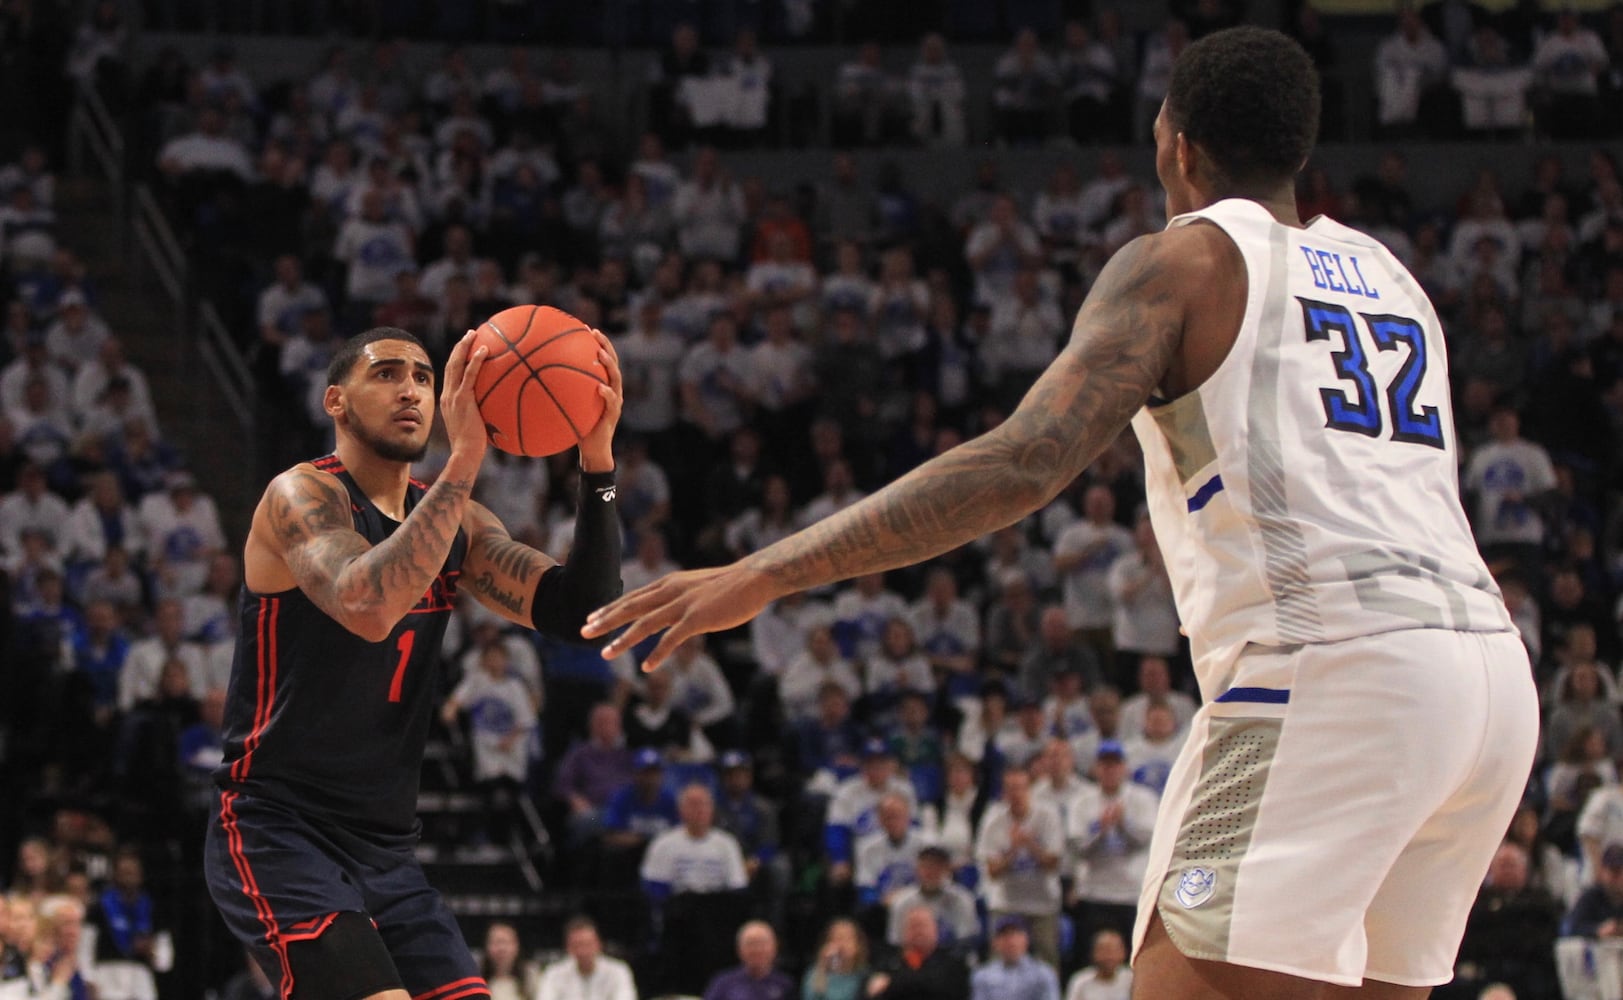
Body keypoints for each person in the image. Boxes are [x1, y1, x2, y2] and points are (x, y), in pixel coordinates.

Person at [586, 26, 1536, 998]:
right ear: (1301, 149)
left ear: (1177, 145)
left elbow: (1025, 461)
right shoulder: (1397, 281)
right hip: (1489, 682)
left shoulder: (1186, 264)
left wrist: (764, 571)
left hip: (1335, 666)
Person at [205, 326, 625, 1000]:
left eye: (426, 378)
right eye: (388, 374)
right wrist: (463, 460)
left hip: (387, 849)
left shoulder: (461, 522)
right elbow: (369, 606)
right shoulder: (303, 497)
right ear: (336, 401)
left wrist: (597, 464)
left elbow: (584, 613)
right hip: (278, 829)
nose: (412, 390)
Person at [535, 917, 636, 1000]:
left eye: (588, 944)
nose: (583, 951)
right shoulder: (553, 974)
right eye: (577, 945)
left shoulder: (618, 971)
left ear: (598, 944)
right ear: (568, 948)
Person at [970, 917, 1060, 1000]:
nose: (1010, 941)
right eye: (1004, 935)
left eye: (1015, 934)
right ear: (995, 943)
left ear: (1026, 939)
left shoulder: (1043, 974)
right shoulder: (983, 976)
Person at [704, 922, 792, 1000]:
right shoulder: (722, 983)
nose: (757, 950)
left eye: (763, 943)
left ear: (775, 947)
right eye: (751, 943)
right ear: (739, 949)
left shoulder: (785, 984)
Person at [803, 918, 870, 1000]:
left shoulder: (865, 975)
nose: (841, 945)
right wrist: (822, 967)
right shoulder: (815, 972)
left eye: (847, 939)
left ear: (858, 945)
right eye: (836, 939)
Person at [1062, 930, 1131, 1000]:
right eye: (1104, 950)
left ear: (1124, 952)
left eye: (1114, 950)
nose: (1109, 956)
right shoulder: (1080, 981)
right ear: (1094, 953)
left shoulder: (1131, 979)